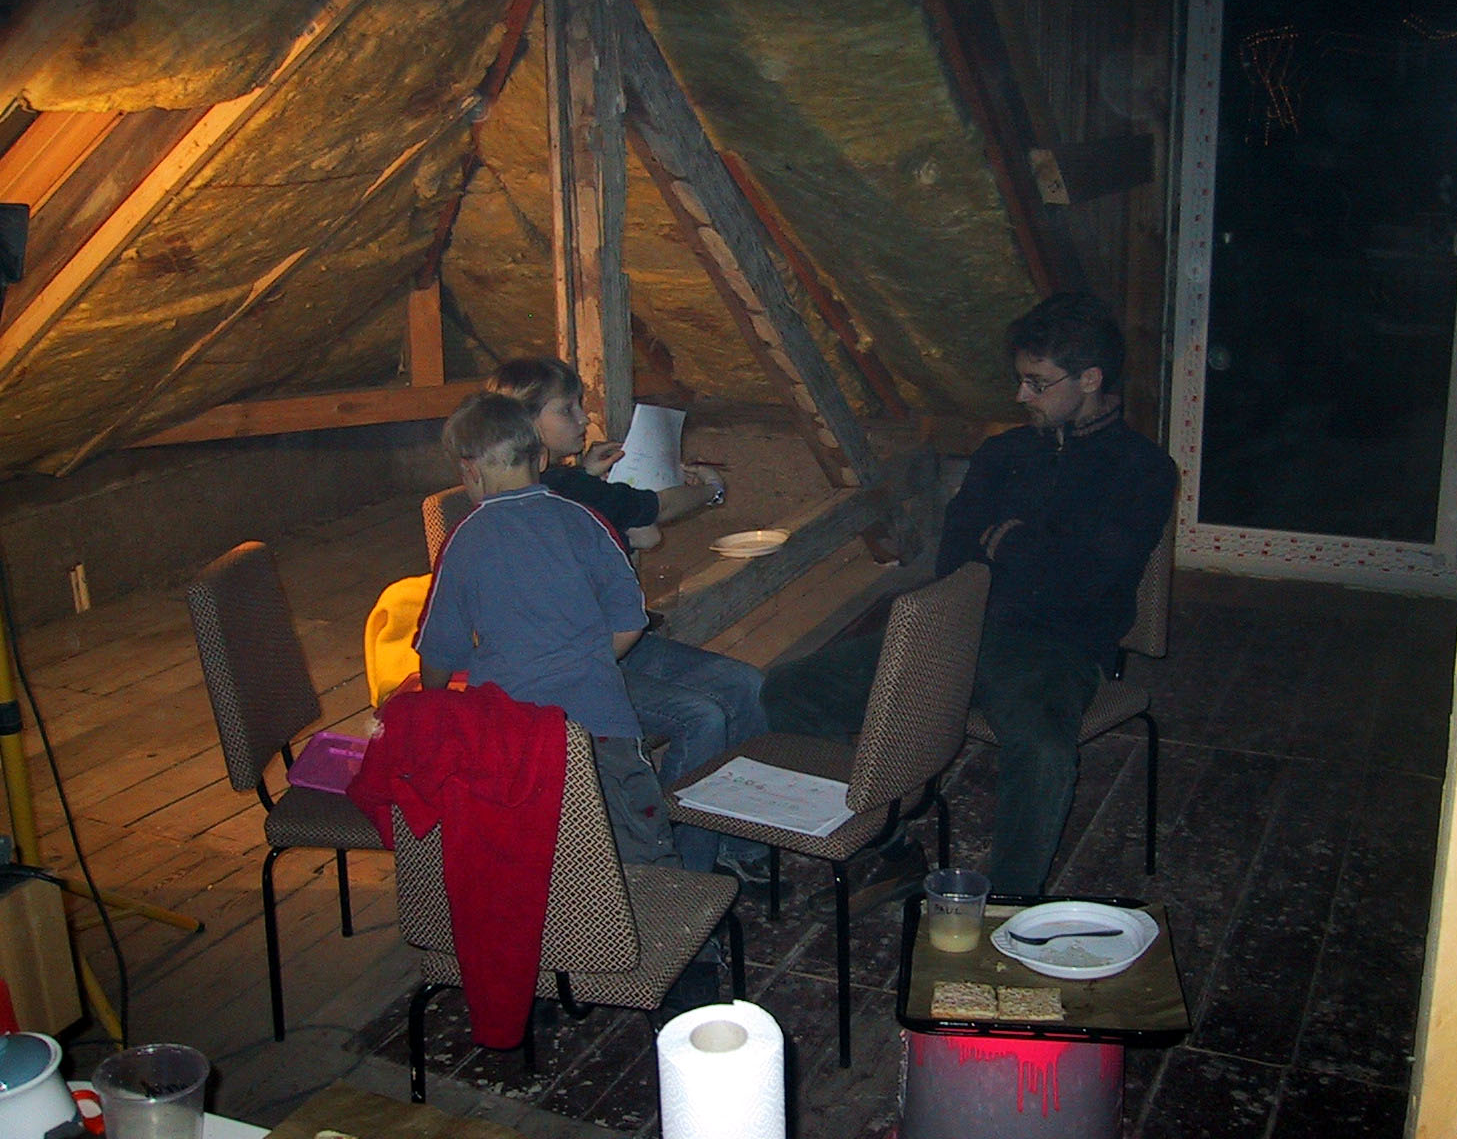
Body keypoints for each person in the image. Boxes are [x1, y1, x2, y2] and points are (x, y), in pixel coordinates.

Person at [762, 292, 1177, 900]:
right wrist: (1040, 550)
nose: (1021, 396)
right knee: (787, 690)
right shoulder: (1004, 453)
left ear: (1090, 379)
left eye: (1037, 383)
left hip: (1057, 648)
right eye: (1020, 380)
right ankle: (891, 847)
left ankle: (1004, 905)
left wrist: (1009, 541)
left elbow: (1093, 580)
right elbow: (958, 554)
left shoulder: (1142, 469)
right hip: (961, 629)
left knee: (1042, 751)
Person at [485, 358, 771, 884]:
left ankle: (735, 840)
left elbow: (622, 518)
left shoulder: (563, 481)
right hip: (580, 663)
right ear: (525, 423)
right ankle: (683, 872)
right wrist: (709, 488)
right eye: (566, 409)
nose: (582, 417)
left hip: (614, 646)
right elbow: (653, 513)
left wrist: (588, 473)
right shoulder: (554, 494)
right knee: (702, 717)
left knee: (746, 684)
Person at [415, 391, 676, 870]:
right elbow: (630, 620)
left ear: (470, 470)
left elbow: (440, 648)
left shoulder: (465, 540)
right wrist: (589, 662)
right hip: (602, 724)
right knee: (637, 850)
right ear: (539, 458)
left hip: (512, 736)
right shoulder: (586, 520)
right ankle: (671, 915)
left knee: (540, 862)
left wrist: (433, 701)